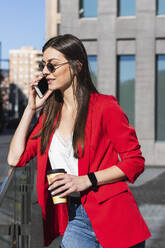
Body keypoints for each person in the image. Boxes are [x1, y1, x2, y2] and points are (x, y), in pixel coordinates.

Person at [7, 34, 151, 248]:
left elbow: (135, 161)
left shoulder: (105, 107)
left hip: (115, 215)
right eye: (43, 65)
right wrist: (30, 109)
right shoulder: (49, 117)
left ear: (76, 66)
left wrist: (86, 179)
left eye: (52, 65)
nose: (45, 71)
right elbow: (15, 158)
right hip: (75, 218)